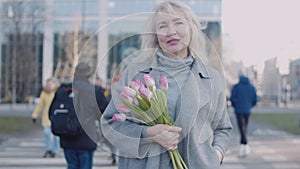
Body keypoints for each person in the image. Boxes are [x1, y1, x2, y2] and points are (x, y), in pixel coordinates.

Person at [100, 1, 232, 168]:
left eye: (178, 23)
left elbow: (223, 128)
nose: (171, 32)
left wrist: (216, 155)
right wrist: (148, 134)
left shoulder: (212, 79)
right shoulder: (135, 72)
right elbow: (110, 124)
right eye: (162, 26)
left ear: (191, 29)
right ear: (155, 34)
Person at [59, 63, 108, 169]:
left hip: (67, 135)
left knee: (71, 165)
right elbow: (105, 111)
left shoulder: (63, 89)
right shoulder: (95, 91)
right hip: (86, 136)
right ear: (89, 74)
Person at [230, 73, 257, 158]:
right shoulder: (251, 87)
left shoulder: (236, 87)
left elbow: (232, 98)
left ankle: (244, 144)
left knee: (241, 128)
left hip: (239, 110)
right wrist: (249, 105)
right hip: (247, 110)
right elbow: (255, 99)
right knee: (244, 127)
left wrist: (236, 105)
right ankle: (244, 145)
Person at [32, 77, 60, 158]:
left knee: (56, 136)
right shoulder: (44, 93)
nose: (48, 86)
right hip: (46, 117)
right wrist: (35, 115)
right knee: (46, 133)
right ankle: (48, 149)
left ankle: (55, 150)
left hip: (56, 117)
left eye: (50, 84)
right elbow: (40, 105)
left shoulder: (57, 92)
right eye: (47, 84)